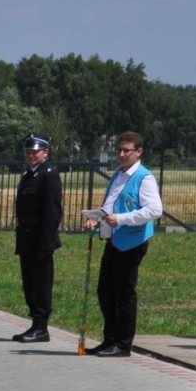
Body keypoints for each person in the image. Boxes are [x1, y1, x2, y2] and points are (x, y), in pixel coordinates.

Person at [81, 132, 162, 358]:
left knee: (124, 293)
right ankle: (110, 339)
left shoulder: (144, 178)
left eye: (127, 150)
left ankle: (123, 344)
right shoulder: (118, 173)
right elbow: (110, 205)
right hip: (113, 240)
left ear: (139, 152)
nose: (122, 154)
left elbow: (155, 210)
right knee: (105, 291)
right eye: (119, 150)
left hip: (132, 241)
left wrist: (122, 218)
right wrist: (96, 219)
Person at [11, 133, 62, 344]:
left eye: (35, 152)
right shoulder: (29, 174)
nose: (31, 156)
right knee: (30, 282)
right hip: (26, 236)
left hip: (40, 237)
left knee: (41, 283)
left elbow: (52, 211)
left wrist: (47, 243)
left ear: (45, 152)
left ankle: (42, 327)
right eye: (28, 152)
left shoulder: (48, 175)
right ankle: (34, 323)